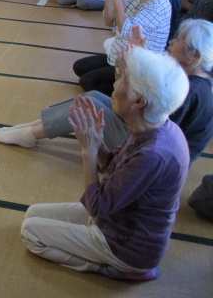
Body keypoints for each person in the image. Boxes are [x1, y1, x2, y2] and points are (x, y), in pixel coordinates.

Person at [20, 47, 190, 281]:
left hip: (126, 246)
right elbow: (114, 168)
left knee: (29, 233)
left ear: (138, 102)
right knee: (32, 213)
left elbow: (98, 206)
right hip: (115, 219)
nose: (115, 85)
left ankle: (114, 269)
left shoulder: (152, 154)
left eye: (124, 81)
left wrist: (88, 152)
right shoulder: (151, 126)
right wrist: (97, 142)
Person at [0, 20, 213, 165]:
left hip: (150, 155)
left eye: (179, 39)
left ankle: (31, 134)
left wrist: (130, 65)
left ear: (194, 56)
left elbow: (147, 122)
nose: (172, 41)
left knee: (91, 107)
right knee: (94, 96)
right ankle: (34, 128)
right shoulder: (191, 82)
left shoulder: (191, 91)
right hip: (150, 140)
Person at [72, 0, 175, 95]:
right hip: (120, 58)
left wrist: (118, 1)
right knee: (79, 67)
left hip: (137, 70)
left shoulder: (157, 6)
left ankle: (133, 94)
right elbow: (109, 21)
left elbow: (127, 31)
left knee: (87, 81)